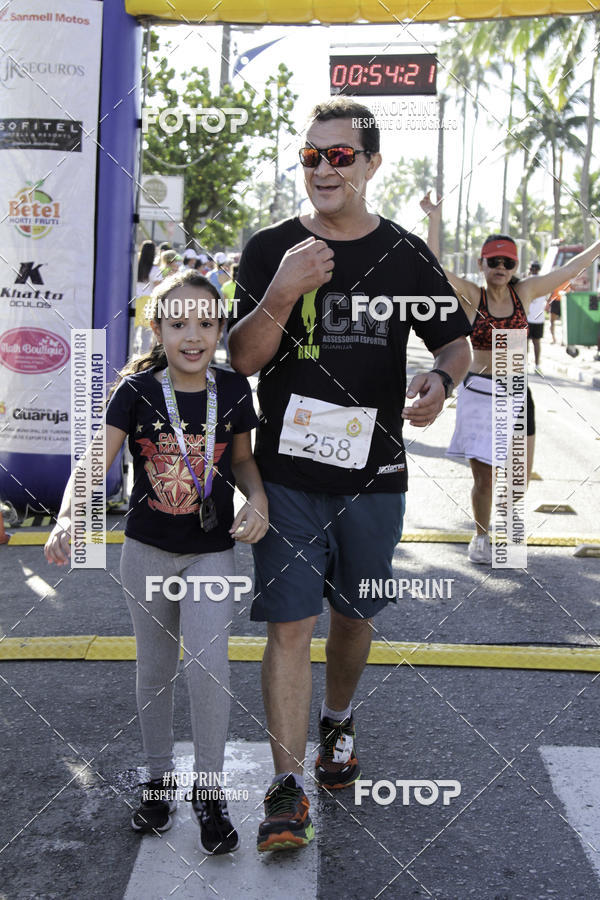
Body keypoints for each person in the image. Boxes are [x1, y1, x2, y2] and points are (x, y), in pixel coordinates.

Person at [229, 98, 473, 853]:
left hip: (376, 476)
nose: (325, 168)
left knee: (354, 618)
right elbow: (240, 360)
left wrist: (440, 379)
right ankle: (285, 789)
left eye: (340, 156)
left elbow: (456, 342)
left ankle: (337, 721)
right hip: (287, 475)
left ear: (370, 165)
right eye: (312, 156)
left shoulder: (403, 253)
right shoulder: (270, 247)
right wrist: (283, 290)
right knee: (289, 625)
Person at [44, 270, 268, 854]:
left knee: (208, 667)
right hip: (145, 552)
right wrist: (70, 515)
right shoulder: (137, 391)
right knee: (154, 670)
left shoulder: (235, 389)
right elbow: (97, 460)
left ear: (219, 327)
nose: (192, 335)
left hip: (212, 554)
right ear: (158, 328)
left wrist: (258, 496)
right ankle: (157, 780)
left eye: (205, 322)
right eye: (178, 323)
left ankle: (210, 794)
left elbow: (242, 461)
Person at [421, 192, 600, 564]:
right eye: (493, 261)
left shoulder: (525, 291)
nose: (500, 267)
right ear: (482, 264)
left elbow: (571, 269)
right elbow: (433, 266)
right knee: (485, 479)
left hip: (517, 393)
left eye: (507, 261)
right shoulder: (473, 296)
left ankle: (504, 526)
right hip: (479, 394)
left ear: (514, 264)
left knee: (516, 481)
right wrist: (434, 220)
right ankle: (482, 537)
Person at [131, 240, 162, 356]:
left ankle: (127, 357)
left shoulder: (135, 266)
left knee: (132, 333)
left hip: (134, 301)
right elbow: (159, 288)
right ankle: (142, 361)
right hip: (148, 302)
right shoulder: (155, 270)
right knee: (146, 335)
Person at [526, 261, 545, 371]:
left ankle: (525, 365)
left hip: (527, 317)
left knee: (526, 342)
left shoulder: (526, 281)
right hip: (539, 318)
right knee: (536, 342)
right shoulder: (543, 281)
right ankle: (537, 365)